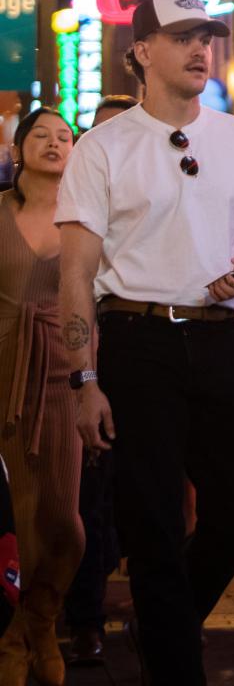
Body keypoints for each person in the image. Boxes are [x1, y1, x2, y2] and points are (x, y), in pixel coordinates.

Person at [56, 0, 234, 686]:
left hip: (219, 341)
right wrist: (84, 381)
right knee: (151, 523)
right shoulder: (102, 148)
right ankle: (176, 668)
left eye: (207, 36)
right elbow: (76, 276)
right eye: (182, 36)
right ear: (142, 52)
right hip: (136, 339)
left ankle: (163, 627)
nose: (199, 49)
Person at [0, 108, 82, 686]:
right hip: (1, 376)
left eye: (64, 138)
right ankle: (14, 639)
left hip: (63, 379)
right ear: (18, 146)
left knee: (62, 522)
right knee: (11, 520)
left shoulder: (87, 219)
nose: (54, 144)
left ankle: (43, 617)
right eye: (41, 135)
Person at [63, 94, 138, 668]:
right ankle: (82, 617)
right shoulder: (74, 211)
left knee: (138, 497)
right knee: (83, 499)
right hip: (71, 368)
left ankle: (148, 612)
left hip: (143, 362)